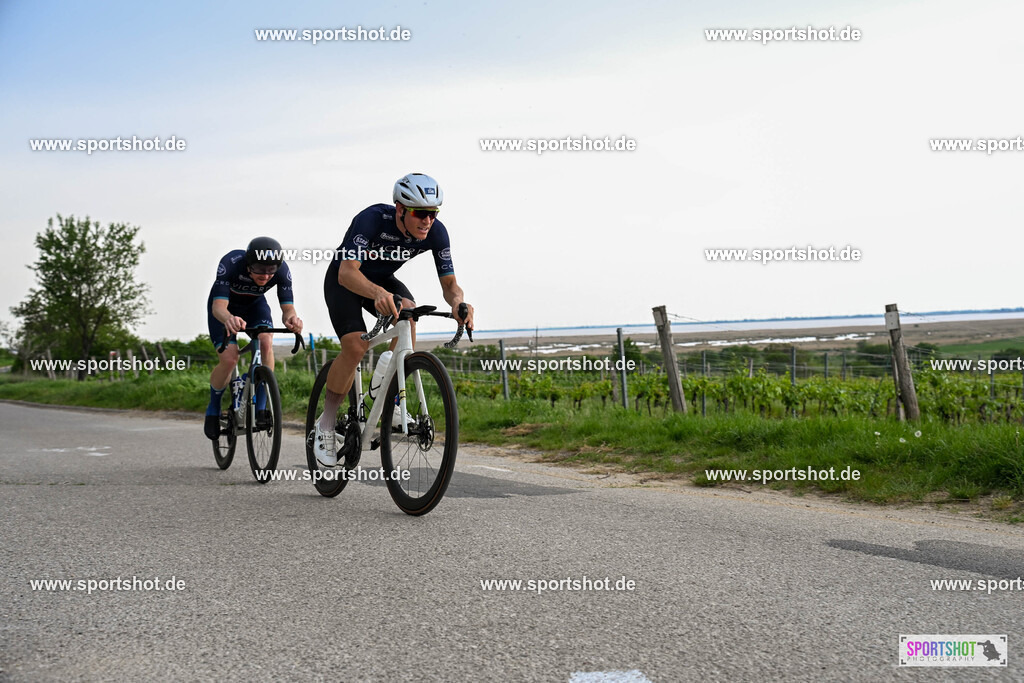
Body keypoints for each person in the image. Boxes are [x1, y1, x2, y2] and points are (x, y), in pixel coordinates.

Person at [314, 173, 474, 465]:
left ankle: (385, 396)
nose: (428, 221)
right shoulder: (372, 219)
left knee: (408, 315)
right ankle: (325, 423)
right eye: (420, 213)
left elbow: (450, 286)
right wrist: (376, 293)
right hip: (346, 281)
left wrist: (459, 303)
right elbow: (347, 272)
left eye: (433, 213)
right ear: (400, 209)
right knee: (356, 347)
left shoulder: (437, 233)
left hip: (381, 280)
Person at [203, 237, 303, 440]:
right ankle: (213, 407)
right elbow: (218, 307)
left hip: (255, 306)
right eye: (259, 269)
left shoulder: (282, 271)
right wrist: (229, 319)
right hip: (225, 307)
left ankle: (262, 405)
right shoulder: (231, 263)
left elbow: (287, 309)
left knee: (266, 341)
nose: (265, 275)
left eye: (270, 270)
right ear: (248, 264)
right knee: (230, 358)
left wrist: (292, 318)